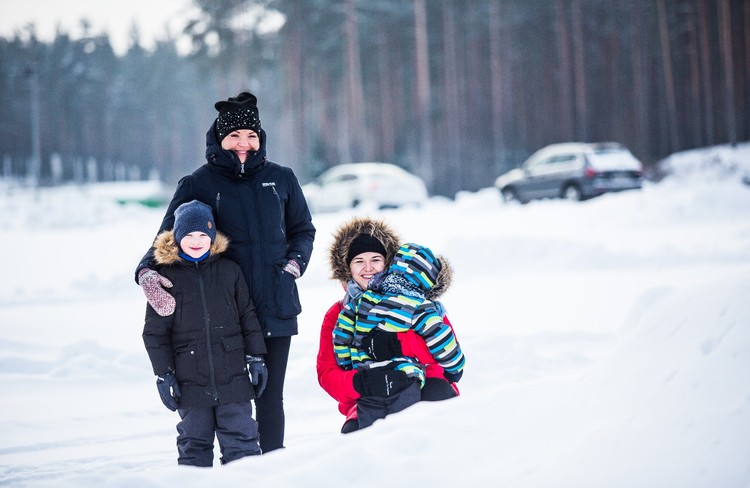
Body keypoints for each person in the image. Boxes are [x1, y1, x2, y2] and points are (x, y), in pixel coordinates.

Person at [136, 92, 315, 453]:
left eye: (250, 135)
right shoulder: (198, 183)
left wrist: (293, 267)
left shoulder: (281, 178)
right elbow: (168, 239)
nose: (243, 143)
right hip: (225, 313)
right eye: (234, 136)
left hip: (276, 305)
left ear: (260, 137)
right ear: (219, 139)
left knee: (270, 398)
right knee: (230, 401)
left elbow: (303, 230)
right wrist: (146, 272)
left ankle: (271, 469)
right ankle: (229, 470)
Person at [142, 200, 268, 466]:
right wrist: (164, 374)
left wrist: (256, 356)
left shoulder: (229, 271)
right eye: (188, 234)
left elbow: (248, 316)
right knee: (193, 445)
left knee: (242, 442)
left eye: (203, 234)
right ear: (177, 238)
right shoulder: (165, 277)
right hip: (189, 381)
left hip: (233, 376)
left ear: (212, 237)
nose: (196, 240)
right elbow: (155, 333)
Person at [316, 217, 462, 433]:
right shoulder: (339, 313)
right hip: (366, 397)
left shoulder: (416, 300)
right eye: (359, 261)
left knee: (437, 403)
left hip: (424, 384)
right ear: (347, 268)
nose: (368, 268)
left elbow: (446, 350)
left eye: (375, 259)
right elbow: (327, 372)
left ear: (388, 262)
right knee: (355, 433)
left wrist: (397, 345)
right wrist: (362, 383)